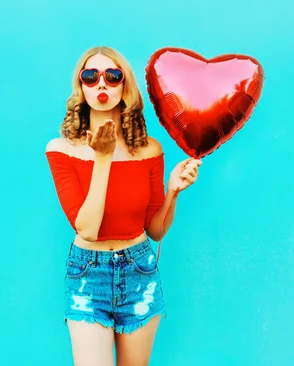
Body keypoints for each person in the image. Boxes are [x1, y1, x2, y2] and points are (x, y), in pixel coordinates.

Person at [45, 46, 202, 366]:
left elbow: (155, 231)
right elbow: (86, 228)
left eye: (111, 76)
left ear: (125, 86)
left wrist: (173, 191)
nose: (101, 84)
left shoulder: (149, 150)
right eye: (90, 76)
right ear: (81, 87)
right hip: (88, 274)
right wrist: (102, 159)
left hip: (139, 271)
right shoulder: (61, 150)